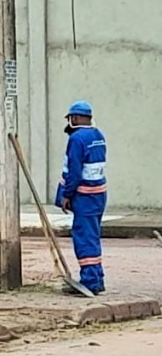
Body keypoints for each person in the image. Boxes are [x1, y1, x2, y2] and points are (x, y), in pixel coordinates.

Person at [54, 101, 108, 295]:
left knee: (84, 238)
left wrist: (66, 195)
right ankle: (97, 278)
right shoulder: (98, 135)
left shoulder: (77, 139)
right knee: (92, 236)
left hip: (84, 197)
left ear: (74, 118)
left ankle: (91, 281)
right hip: (99, 195)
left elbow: (74, 171)